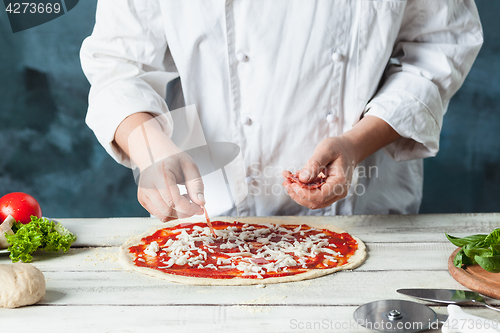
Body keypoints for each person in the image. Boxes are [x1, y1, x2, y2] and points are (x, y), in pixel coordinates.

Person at [81, 0, 483, 221]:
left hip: (364, 214)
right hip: (212, 215)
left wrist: (355, 144)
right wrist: (150, 146)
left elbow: (440, 47)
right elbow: (118, 64)